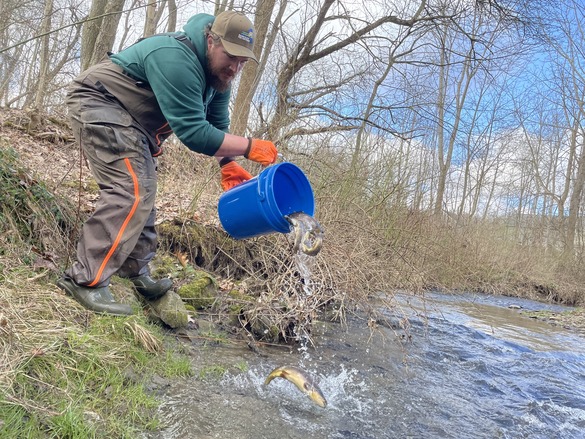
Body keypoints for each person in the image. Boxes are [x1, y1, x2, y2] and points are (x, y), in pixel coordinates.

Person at [57, 10, 278, 315]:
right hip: (100, 103)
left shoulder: (218, 78)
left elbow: (216, 123)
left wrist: (228, 163)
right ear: (211, 41)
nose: (235, 67)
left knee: (145, 192)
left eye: (242, 61)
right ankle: (84, 280)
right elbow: (195, 133)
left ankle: (134, 270)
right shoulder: (176, 57)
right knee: (130, 191)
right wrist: (251, 146)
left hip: (134, 123)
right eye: (231, 56)